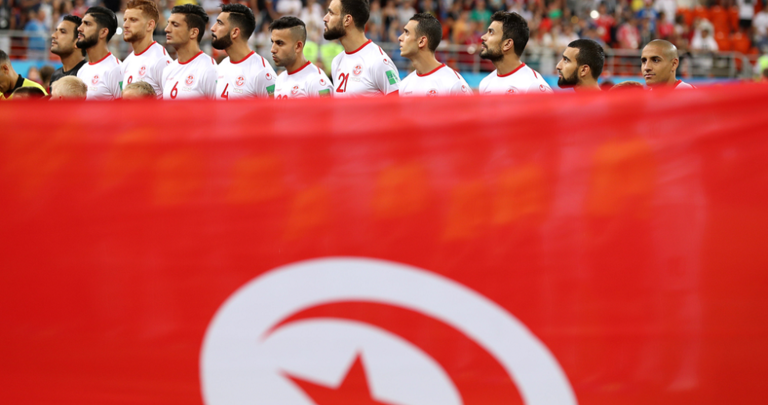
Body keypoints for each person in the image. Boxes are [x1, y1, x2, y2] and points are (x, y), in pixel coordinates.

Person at [323, 0, 400, 96]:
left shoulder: (378, 60)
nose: (325, 18)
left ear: (347, 20)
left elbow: (398, 102)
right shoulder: (336, 61)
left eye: (331, 13)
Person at [212, 4, 276, 99]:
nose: (212, 28)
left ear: (235, 32)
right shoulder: (221, 66)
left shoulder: (262, 72)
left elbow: (276, 108)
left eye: (219, 23)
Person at [398, 12, 471, 96]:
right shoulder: (404, 85)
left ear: (421, 41)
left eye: (407, 32)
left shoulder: (454, 83)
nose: (400, 38)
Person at [478, 11, 551, 94]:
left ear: (507, 44)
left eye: (491, 32)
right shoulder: (485, 83)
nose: (483, 37)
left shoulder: (534, 86)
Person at [162, 4, 217, 99]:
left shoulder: (209, 70)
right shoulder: (168, 70)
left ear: (193, 33)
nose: (167, 29)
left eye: (175, 25)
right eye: (168, 23)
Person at [270, 16, 333, 99]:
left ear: (298, 46)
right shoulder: (280, 79)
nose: (272, 49)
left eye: (280, 43)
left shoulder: (317, 81)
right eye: (272, 42)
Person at [122, 0, 172, 97]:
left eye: (133, 20)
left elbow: (172, 103)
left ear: (150, 25)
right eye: (125, 20)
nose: (125, 25)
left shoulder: (161, 60)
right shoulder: (127, 62)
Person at [76, 7, 123, 100]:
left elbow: (126, 107)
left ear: (103, 32)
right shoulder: (82, 70)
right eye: (81, 23)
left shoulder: (115, 70)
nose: (79, 28)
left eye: (87, 24)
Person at [50, 15, 87, 92]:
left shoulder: (88, 75)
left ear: (78, 42)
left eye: (62, 32)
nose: (53, 35)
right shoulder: (55, 76)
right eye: (56, 31)